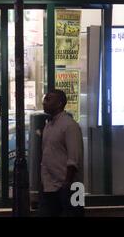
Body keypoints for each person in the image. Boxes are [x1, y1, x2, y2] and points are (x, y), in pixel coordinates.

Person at [39, 89, 84, 217]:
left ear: (59, 104)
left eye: (48, 99)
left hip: (68, 187)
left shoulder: (70, 125)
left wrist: (67, 184)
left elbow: (73, 158)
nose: (44, 102)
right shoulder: (49, 125)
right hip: (50, 186)